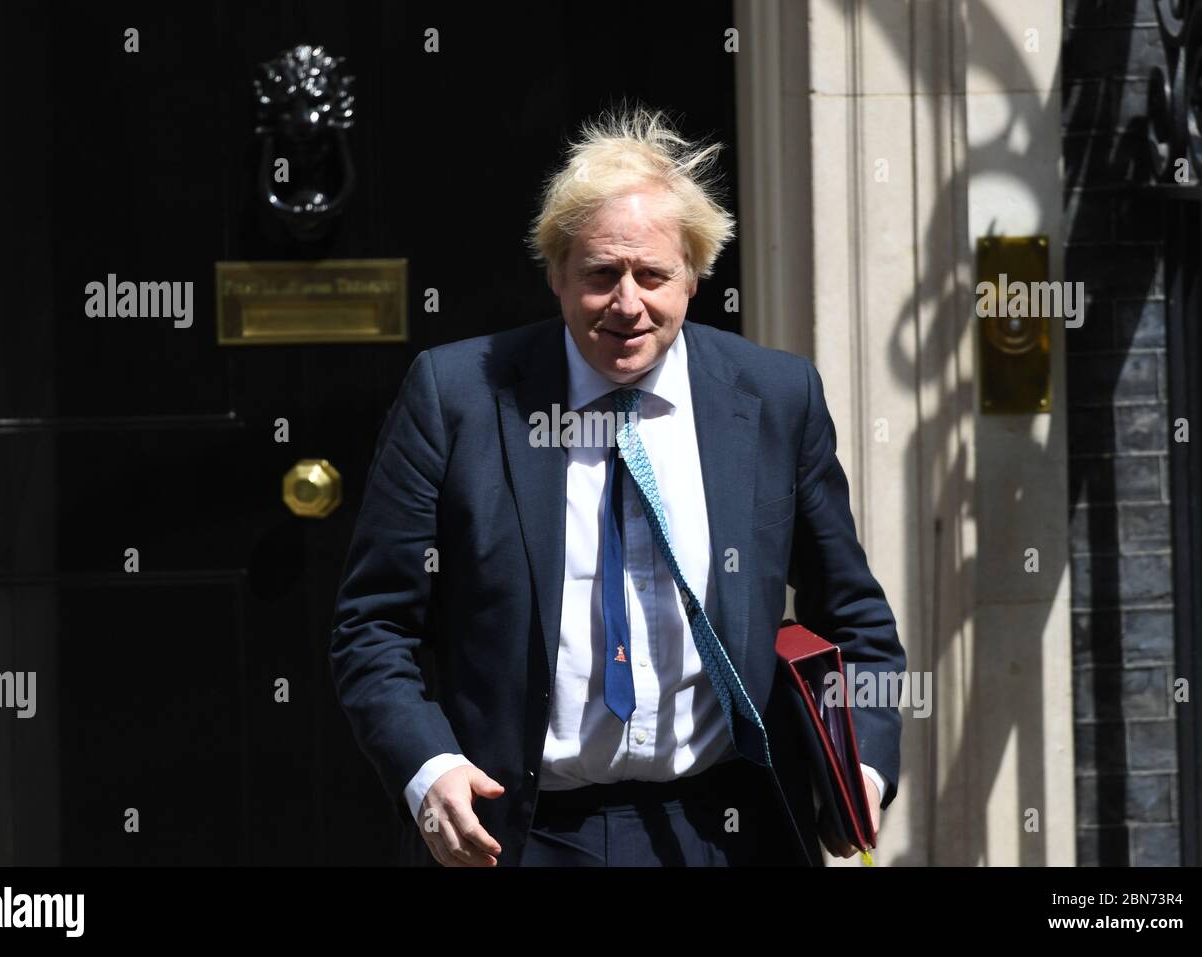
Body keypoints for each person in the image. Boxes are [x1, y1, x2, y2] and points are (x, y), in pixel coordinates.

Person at [329, 105, 906, 867]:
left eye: (653, 274)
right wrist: (427, 768)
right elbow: (372, 627)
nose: (627, 304)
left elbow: (855, 618)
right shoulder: (456, 395)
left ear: (694, 276)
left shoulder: (775, 396)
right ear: (558, 274)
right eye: (601, 274)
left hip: (727, 830)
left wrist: (858, 764)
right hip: (523, 832)